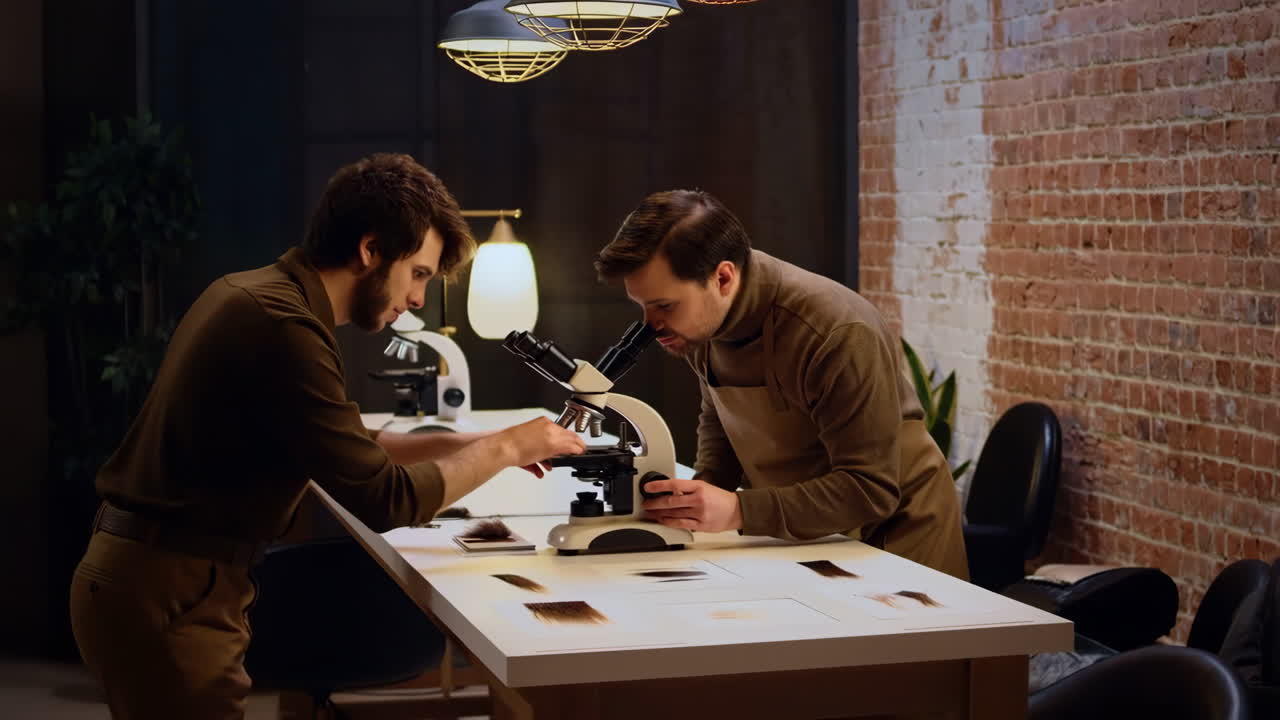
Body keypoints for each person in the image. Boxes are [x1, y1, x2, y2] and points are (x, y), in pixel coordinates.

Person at [69, 153, 585, 719]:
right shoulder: (283, 327)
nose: (418, 299)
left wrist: (479, 443)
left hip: (159, 576)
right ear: (370, 250)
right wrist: (506, 448)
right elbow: (386, 498)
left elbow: (355, 447)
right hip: (173, 590)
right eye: (418, 273)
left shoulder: (257, 294)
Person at [595, 190, 968, 580]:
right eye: (643, 306)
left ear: (723, 278)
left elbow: (869, 489)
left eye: (664, 306)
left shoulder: (835, 330)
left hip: (895, 534)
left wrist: (738, 510)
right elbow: (720, 420)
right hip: (812, 532)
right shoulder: (701, 322)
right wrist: (694, 502)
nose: (651, 326)